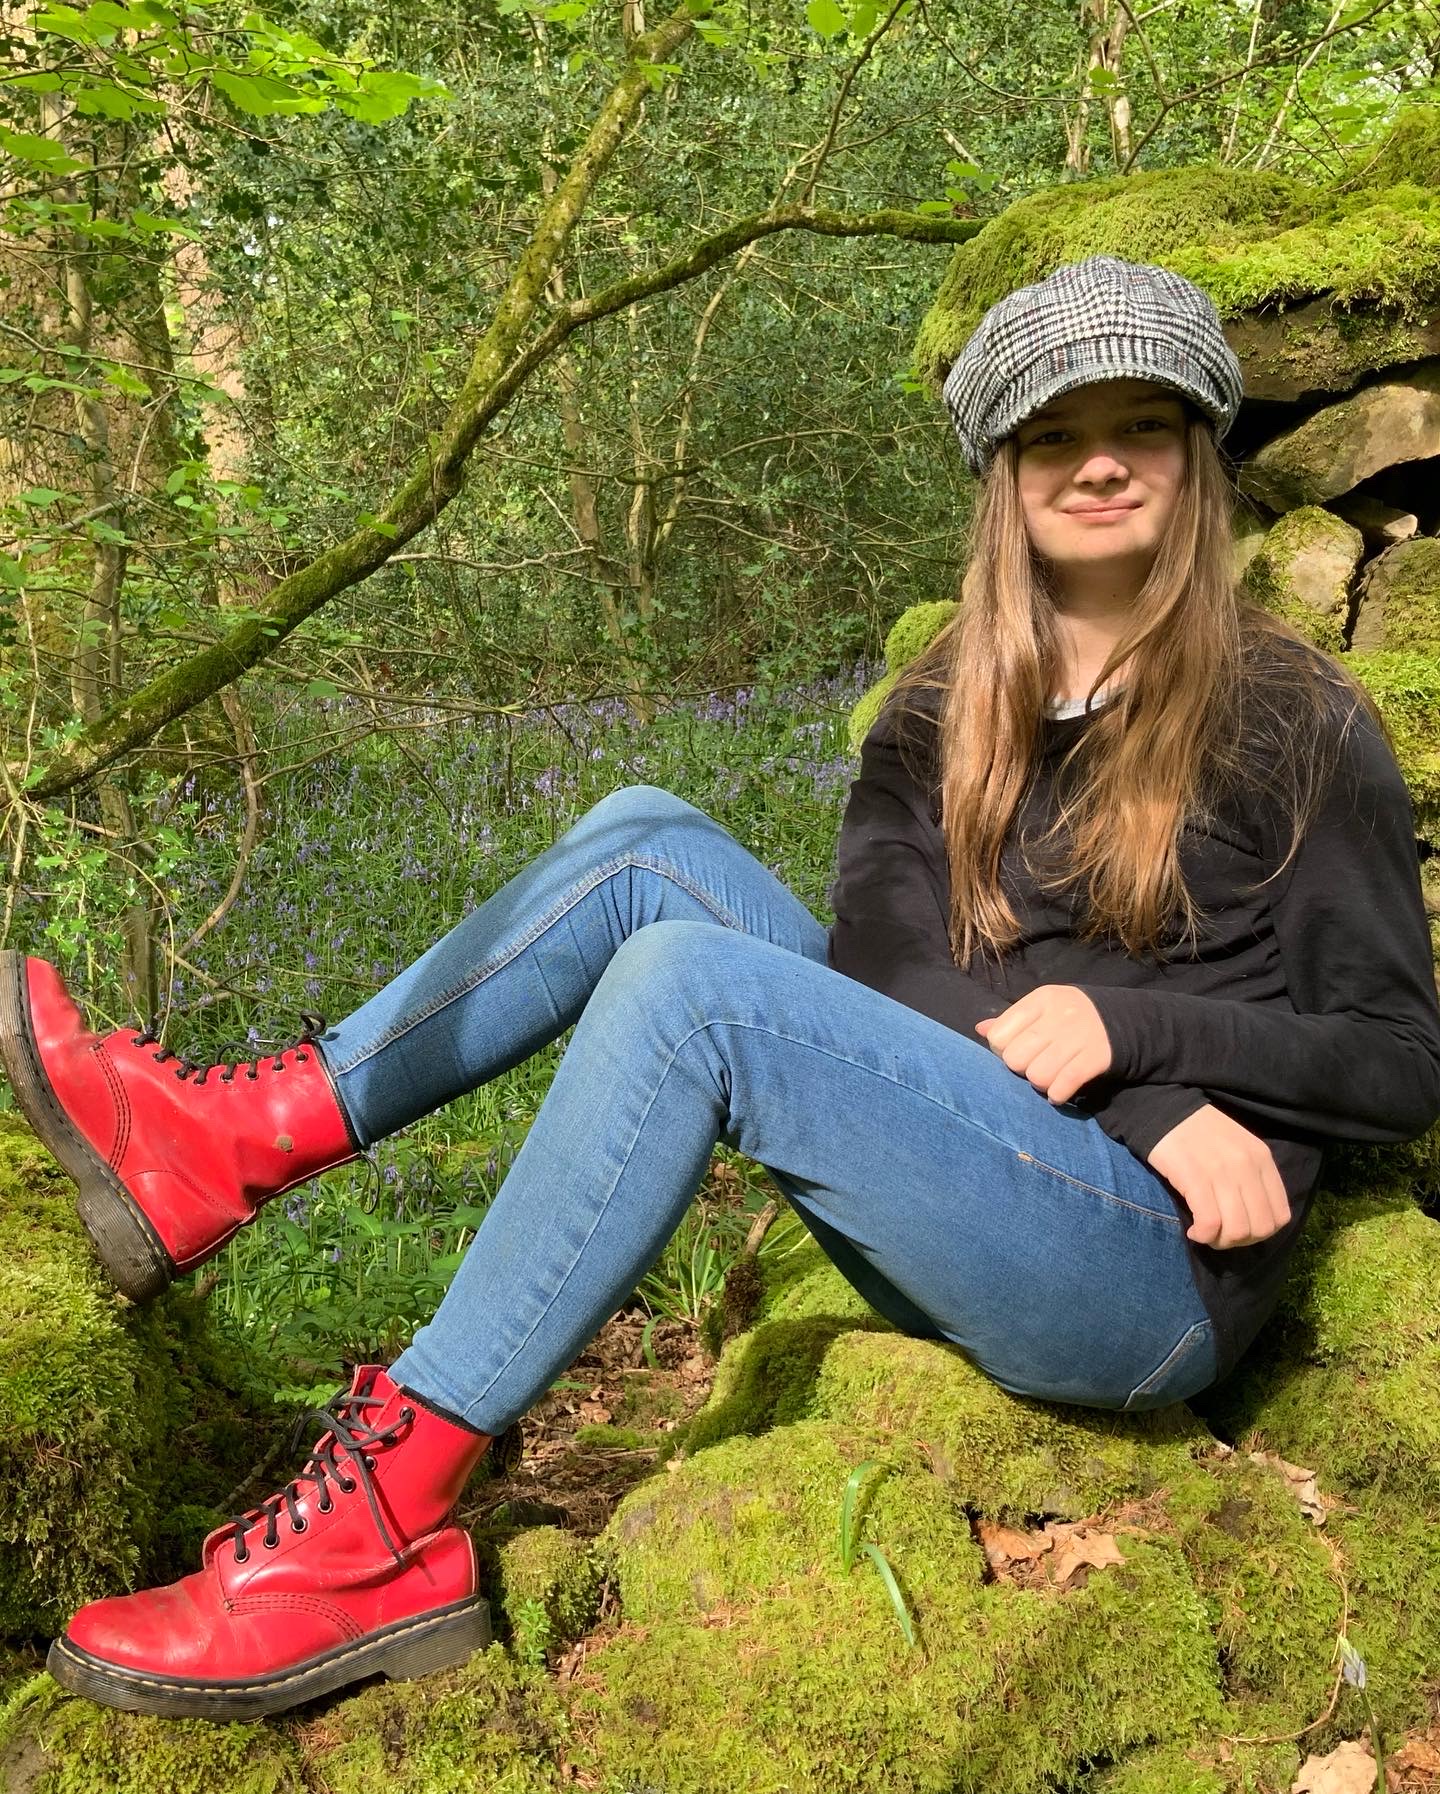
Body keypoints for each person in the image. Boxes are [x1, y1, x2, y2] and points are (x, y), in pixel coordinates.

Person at [4, 255, 1438, 1723]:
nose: (1100, 464)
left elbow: (1401, 1057)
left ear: (1198, 453)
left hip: (1148, 1276)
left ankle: (382, 1527)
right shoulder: (948, 704)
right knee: (642, 840)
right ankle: (232, 1141)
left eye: (1140, 425)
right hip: (1015, 1156)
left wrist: (1143, 1044)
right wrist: (1144, 1095)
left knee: (695, 988)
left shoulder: (1294, 715)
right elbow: (891, 968)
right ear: (1003, 477)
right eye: (1055, 436)